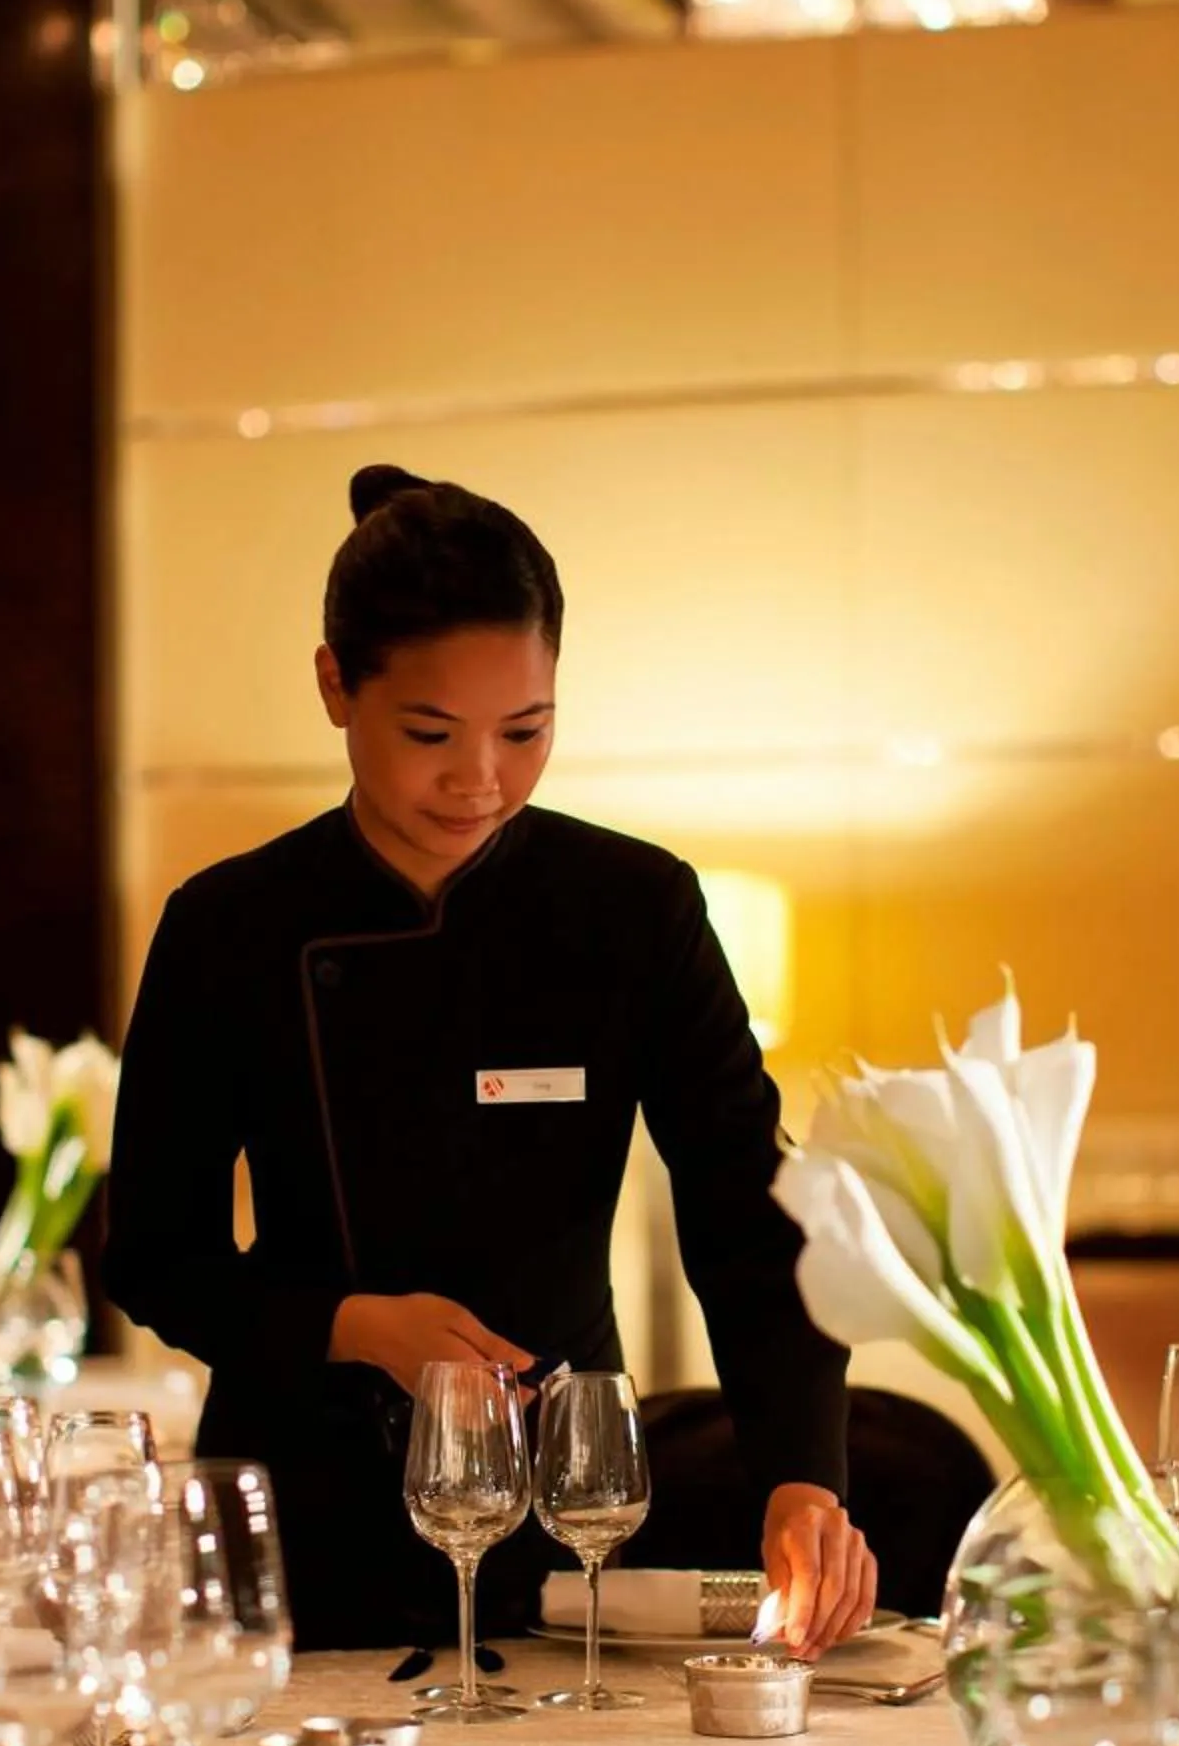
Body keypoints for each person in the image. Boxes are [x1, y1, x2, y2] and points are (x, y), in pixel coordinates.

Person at [104, 464, 876, 1662]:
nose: (479, 780)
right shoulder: (231, 924)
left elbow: (745, 1208)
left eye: (526, 732)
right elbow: (157, 1258)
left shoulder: (632, 910)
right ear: (331, 686)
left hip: (568, 1518)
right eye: (429, 734)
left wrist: (800, 1478)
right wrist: (358, 1325)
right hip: (301, 1519)